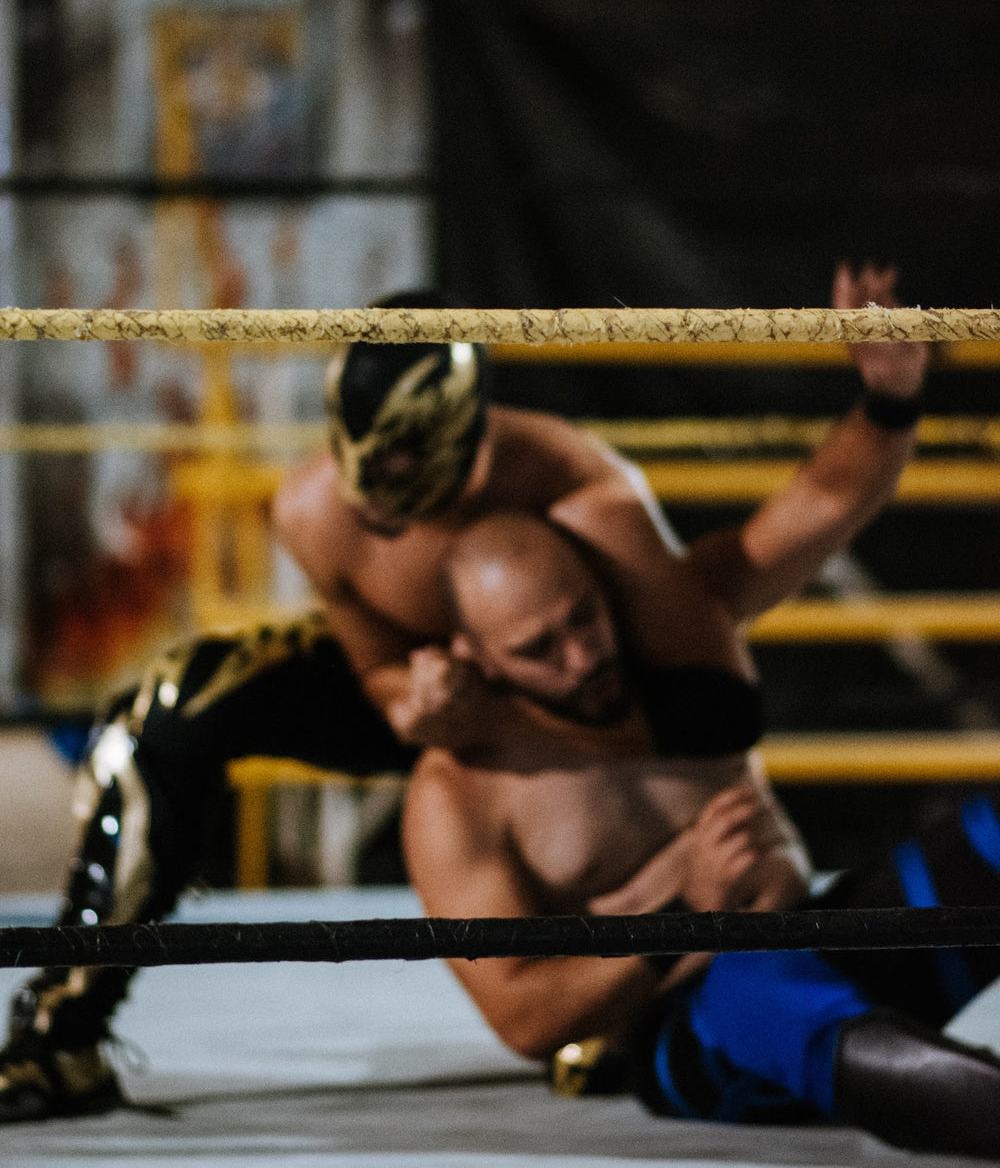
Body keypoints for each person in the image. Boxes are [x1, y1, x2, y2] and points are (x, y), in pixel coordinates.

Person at [0, 266, 925, 1120]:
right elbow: (372, 670)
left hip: (581, 727)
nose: (378, 501)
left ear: (466, 443)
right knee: (172, 706)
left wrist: (513, 723)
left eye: (404, 477)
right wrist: (415, 701)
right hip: (450, 701)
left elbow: (714, 716)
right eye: (365, 472)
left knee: (637, 766)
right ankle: (63, 1030)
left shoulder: (591, 504)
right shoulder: (318, 510)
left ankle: (628, 1001)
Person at [403, 512, 1000, 1157]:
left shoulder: (680, 668)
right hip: (687, 1036)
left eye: (584, 617)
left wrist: (889, 411)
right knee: (758, 988)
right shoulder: (457, 798)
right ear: (473, 655)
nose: (582, 658)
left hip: (818, 942)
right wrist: (688, 912)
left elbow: (824, 499)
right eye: (537, 649)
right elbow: (524, 1019)